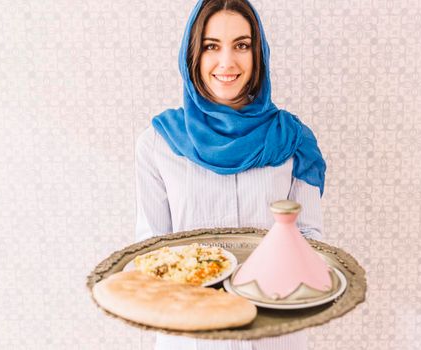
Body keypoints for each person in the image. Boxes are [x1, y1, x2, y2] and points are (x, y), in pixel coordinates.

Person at [134, 0, 327, 348]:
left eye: (241, 45)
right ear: (193, 55)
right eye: (211, 46)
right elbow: (150, 252)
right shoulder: (158, 143)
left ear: (259, 54)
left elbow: (310, 238)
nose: (227, 62)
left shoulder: (291, 139)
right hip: (192, 336)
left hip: (272, 330)